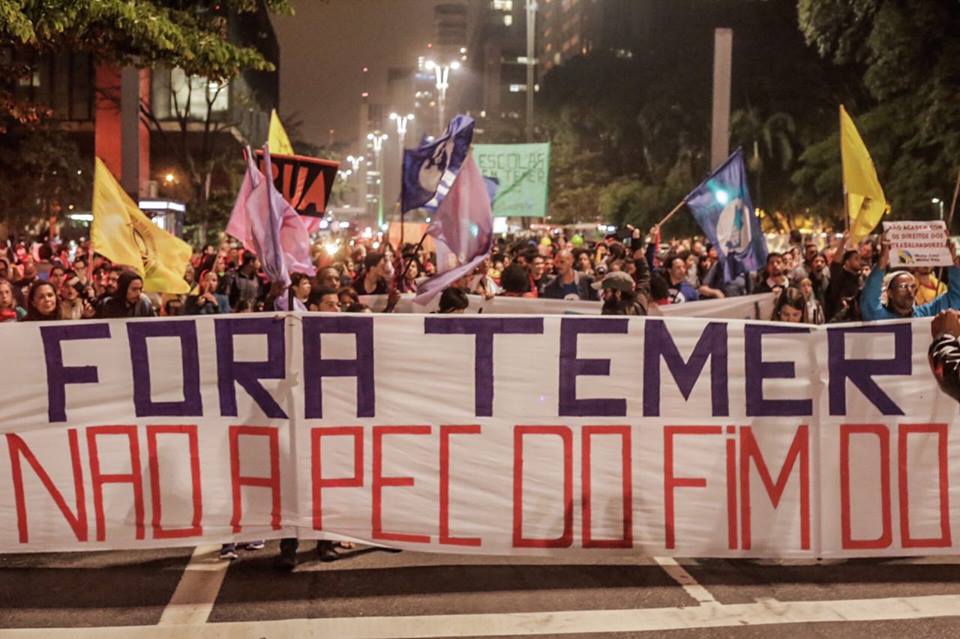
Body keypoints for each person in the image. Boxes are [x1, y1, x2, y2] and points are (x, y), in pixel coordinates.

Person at [860, 234, 960, 321]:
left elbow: (956, 297)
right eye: (903, 286)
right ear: (889, 292)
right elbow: (869, 302)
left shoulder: (925, 314)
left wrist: (953, 265)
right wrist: (882, 262)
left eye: (913, 286)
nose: (910, 291)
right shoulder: (880, 317)